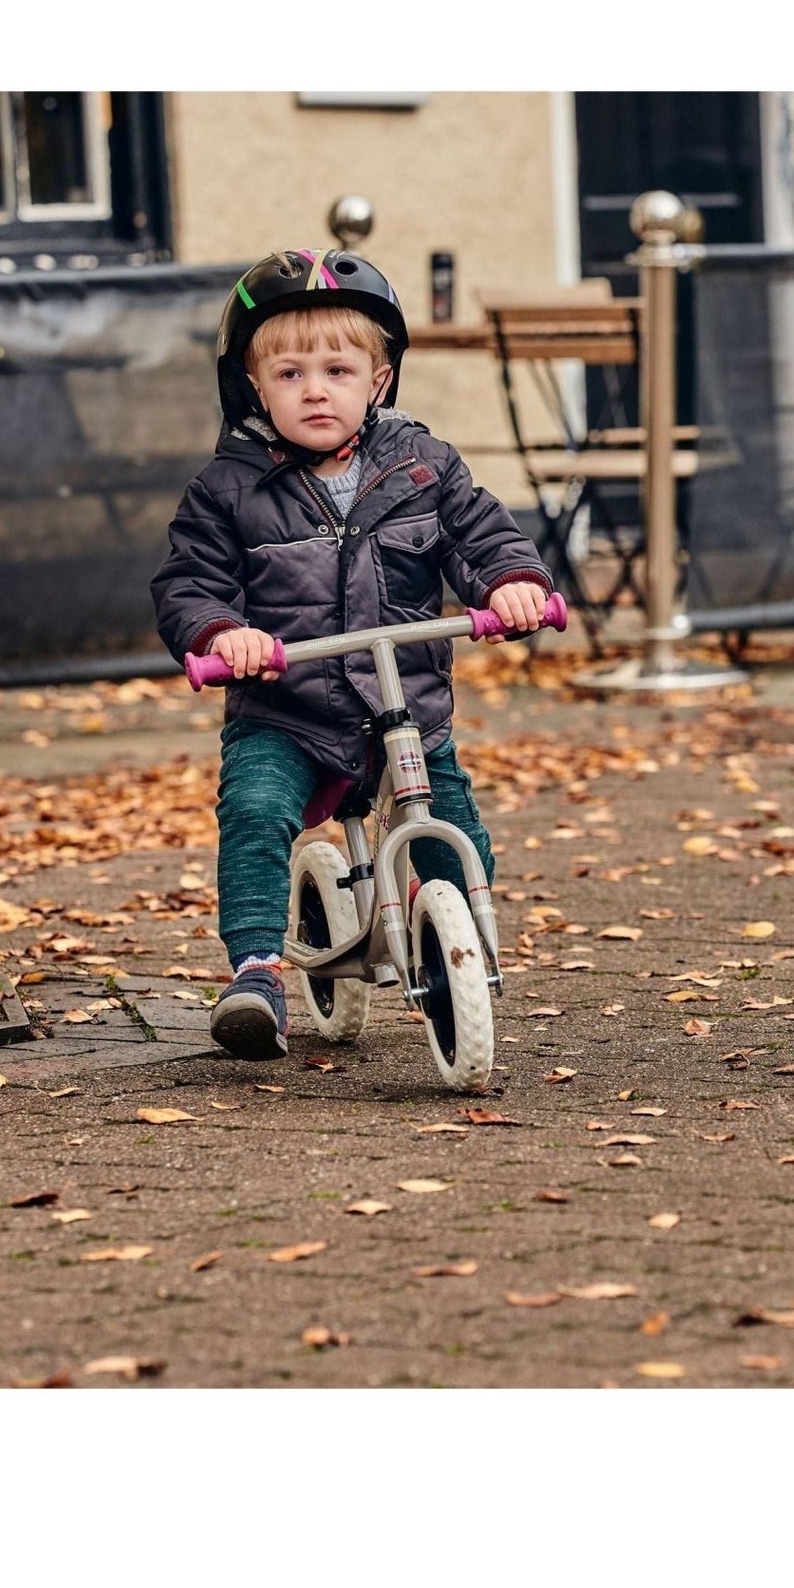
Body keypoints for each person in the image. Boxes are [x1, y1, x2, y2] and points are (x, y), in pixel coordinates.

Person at [152, 248, 552, 1059]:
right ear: (252, 386)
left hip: (405, 707)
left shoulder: (423, 466)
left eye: (338, 369)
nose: (315, 389)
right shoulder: (227, 489)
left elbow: (482, 535)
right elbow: (190, 581)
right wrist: (224, 634)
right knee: (258, 813)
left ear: (378, 379)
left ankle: (455, 944)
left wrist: (510, 583)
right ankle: (259, 970)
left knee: (457, 837)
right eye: (290, 373)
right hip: (286, 710)